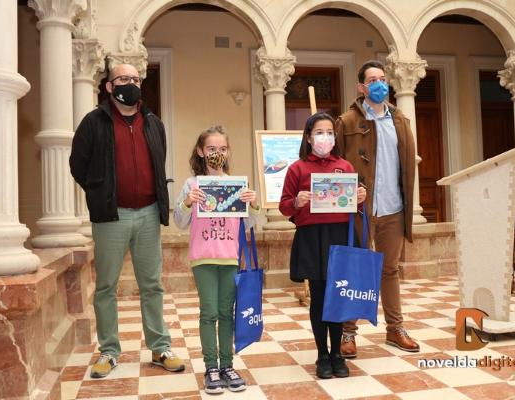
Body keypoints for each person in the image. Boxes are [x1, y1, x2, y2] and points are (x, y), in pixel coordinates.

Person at [70, 63, 185, 378]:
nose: (130, 84)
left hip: (148, 213)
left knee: (152, 285)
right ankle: (109, 351)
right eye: (123, 79)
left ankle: (160, 348)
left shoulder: (153, 122)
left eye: (135, 79)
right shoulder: (94, 122)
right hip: (111, 216)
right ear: (109, 86)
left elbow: (157, 163)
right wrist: (100, 191)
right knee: (106, 286)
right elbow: (78, 164)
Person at [335, 60, 420, 359]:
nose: (378, 84)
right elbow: (336, 166)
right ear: (361, 86)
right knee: (355, 267)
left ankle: (395, 329)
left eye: (382, 79)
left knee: (390, 269)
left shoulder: (401, 121)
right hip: (360, 208)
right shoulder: (346, 122)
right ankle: (348, 331)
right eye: (372, 80)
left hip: (393, 207)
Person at [279, 112, 366, 379]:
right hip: (311, 237)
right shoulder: (297, 168)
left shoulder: (345, 166)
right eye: (319, 132)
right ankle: (321, 355)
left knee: (338, 297)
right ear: (308, 137)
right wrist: (296, 202)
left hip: (339, 235)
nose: (324, 137)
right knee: (318, 297)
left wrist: (360, 197)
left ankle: (337, 354)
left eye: (329, 132)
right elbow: (284, 206)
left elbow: (354, 205)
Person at [173, 126, 259, 394]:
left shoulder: (236, 184)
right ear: (201, 151)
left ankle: (227, 365)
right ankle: (211, 367)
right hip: (203, 258)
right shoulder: (192, 184)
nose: (216, 154)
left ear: (228, 151)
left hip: (230, 258)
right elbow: (179, 222)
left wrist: (252, 203)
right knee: (209, 313)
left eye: (222, 149)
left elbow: (250, 225)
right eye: (211, 149)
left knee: (227, 314)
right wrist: (188, 202)